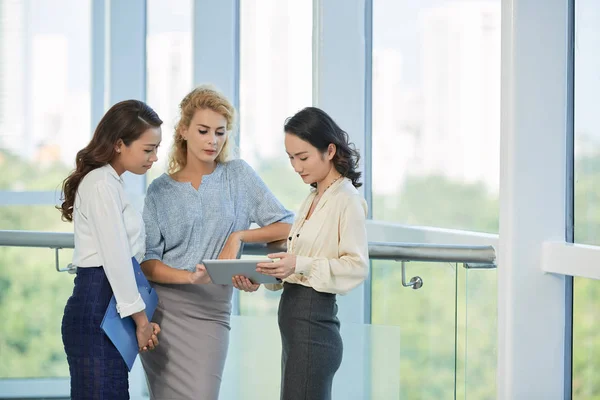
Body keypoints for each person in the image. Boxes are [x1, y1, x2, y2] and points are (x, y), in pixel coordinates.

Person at [139, 85, 294, 400]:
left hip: (212, 310)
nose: (212, 140)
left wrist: (239, 237)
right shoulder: (159, 190)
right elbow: (148, 261)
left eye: (220, 132)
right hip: (164, 312)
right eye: (203, 130)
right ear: (183, 130)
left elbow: (287, 224)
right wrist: (188, 276)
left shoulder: (238, 176)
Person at [255, 106, 369, 400]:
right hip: (294, 327)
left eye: (302, 157)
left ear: (329, 150)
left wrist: (300, 263)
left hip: (314, 329)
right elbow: (297, 266)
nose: (296, 166)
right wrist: (261, 277)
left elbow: (356, 267)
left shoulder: (347, 200)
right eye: (291, 157)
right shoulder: (311, 198)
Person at [59, 100, 163, 400]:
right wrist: (142, 322)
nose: (154, 157)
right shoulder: (101, 184)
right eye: (147, 149)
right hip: (98, 307)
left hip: (106, 307)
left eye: (156, 149)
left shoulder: (110, 183)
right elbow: (117, 259)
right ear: (119, 144)